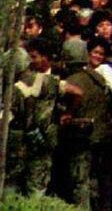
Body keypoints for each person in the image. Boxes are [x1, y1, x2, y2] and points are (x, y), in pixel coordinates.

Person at [7, 40, 82, 197]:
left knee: (12, 187)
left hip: (22, 143)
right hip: (36, 142)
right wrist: (67, 113)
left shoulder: (12, 86)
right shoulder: (46, 81)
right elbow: (76, 92)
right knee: (34, 189)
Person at [62, 37, 112, 210]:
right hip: (102, 138)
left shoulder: (72, 80)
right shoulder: (98, 78)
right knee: (97, 181)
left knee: (79, 182)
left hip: (81, 139)